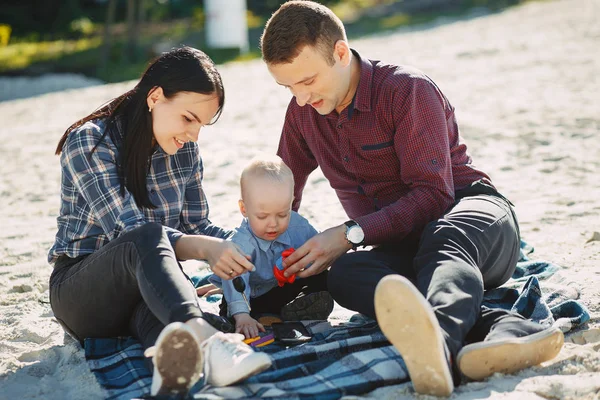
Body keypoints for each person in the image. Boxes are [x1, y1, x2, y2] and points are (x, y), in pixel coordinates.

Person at [259, 2, 564, 397]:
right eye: (289, 88)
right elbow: (282, 191)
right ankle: (500, 327)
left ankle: (437, 349)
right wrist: (250, 263)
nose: (300, 99)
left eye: (308, 81)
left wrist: (350, 234)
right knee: (344, 275)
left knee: (443, 237)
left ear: (338, 53)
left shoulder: (406, 90)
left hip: (471, 221)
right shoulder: (304, 112)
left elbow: (434, 196)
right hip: (405, 247)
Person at [48, 46, 271, 396]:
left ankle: (179, 372)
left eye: (201, 124)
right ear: (155, 97)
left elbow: (198, 227)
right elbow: (131, 232)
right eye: (188, 119)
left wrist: (255, 242)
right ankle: (204, 334)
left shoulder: (184, 152)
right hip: (83, 294)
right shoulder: (89, 141)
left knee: (173, 336)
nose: (194, 135)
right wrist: (204, 248)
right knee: (147, 237)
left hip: (148, 294)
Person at [208, 155, 333, 339]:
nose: (273, 224)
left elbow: (319, 249)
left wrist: (306, 263)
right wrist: (242, 314)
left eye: (282, 214)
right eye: (262, 216)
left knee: (322, 275)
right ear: (244, 209)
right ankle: (245, 319)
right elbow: (237, 283)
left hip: (282, 290)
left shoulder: (298, 226)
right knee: (233, 303)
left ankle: (296, 310)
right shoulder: (242, 243)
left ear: (291, 203)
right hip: (251, 296)